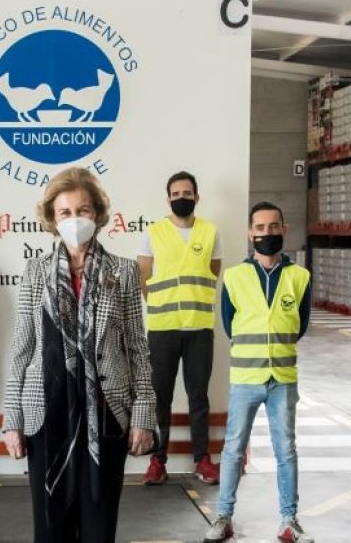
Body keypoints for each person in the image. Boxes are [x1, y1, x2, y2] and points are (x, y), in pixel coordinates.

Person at [3, 167, 157, 543]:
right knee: (50, 530)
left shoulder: (124, 271)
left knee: (98, 530)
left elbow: (137, 348)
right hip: (45, 416)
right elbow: (22, 347)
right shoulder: (35, 271)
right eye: (65, 212)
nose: (74, 219)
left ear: (98, 214)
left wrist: (143, 414)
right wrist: (12, 420)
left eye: (83, 210)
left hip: (106, 416)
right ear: (53, 220)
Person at [205, 201, 313, 543]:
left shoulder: (300, 277)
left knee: (286, 450)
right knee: (233, 448)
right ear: (250, 233)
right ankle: (223, 516)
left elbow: (300, 325)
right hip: (246, 378)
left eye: (274, 227)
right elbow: (229, 324)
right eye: (261, 228)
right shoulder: (234, 276)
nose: (268, 233)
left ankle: (289, 521)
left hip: (283, 379)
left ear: (284, 230)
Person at [137, 171, 221, 485]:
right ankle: (157, 461)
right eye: (176, 194)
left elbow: (213, 273)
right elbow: (144, 279)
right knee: (161, 398)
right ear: (168, 198)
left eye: (187, 193)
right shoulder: (153, 232)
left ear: (197, 197)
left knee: (199, 397)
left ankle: (202, 460)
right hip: (163, 329)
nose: (181, 198)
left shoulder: (210, 232)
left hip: (199, 329)